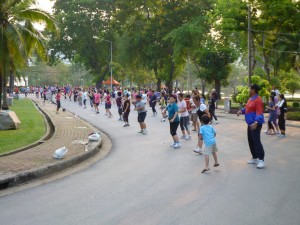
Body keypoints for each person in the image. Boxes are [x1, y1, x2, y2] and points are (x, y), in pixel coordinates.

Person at [237, 84, 265, 169]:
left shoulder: (258, 100)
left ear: (253, 90)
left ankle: (261, 160)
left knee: (256, 141)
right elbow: (247, 109)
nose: (249, 90)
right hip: (250, 124)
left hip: (255, 124)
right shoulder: (250, 99)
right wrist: (241, 111)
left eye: (250, 88)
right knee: (251, 141)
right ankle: (255, 157)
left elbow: (259, 112)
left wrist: (256, 122)